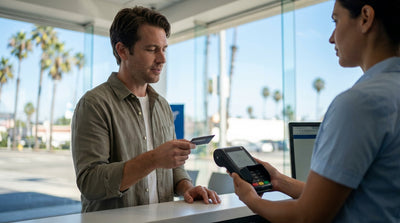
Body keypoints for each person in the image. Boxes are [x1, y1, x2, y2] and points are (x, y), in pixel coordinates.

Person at [230, 0, 400, 222]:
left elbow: (307, 216)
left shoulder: (359, 103)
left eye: (336, 21)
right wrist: (280, 180)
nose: (331, 37)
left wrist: (252, 200)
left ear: (366, 18)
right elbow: (361, 198)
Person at [71, 6, 220, 213]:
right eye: (151, 49)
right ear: (122, 50)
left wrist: (188, 187)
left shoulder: (162, 106)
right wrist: (153, 159)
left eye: (164, 49)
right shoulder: (94, 104)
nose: (162, 59)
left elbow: (174, 169)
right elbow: (90, 183)